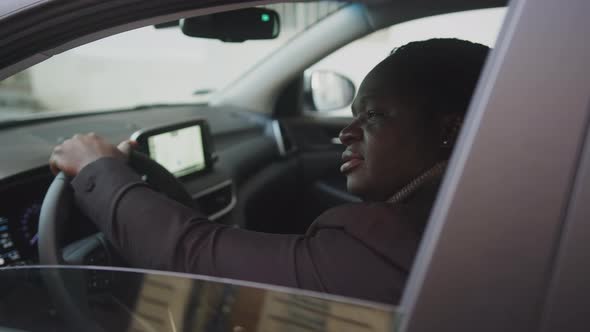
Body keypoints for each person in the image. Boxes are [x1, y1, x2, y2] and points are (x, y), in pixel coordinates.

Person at [49, 38, 489, 304]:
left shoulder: (387, 243)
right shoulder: (472, 224)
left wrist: (97, 169)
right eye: (352, 115)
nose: (346, 133)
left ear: (450, 129)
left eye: (372, 115)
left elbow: (193, 258)